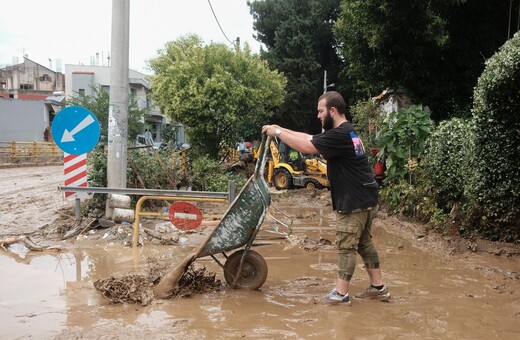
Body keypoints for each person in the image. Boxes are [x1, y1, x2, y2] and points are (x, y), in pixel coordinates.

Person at [262, 91, 390, 305]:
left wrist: (277, 131)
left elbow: (307, 147)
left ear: (332, 110)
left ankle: (341, 295)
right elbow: (309, 138)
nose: (318, 116)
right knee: (364, 244)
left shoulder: (340, 135)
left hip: (353, 202)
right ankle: (379, 287)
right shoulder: (349, 132)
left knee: (346, 246)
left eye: (321, 111)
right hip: (366, 198)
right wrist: (280, 130)